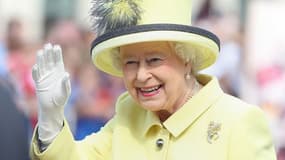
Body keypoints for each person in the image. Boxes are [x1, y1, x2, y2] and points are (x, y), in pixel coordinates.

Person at [30, 0, 276, 159]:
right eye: (130, 62)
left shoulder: (239, 122)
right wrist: (51, 118)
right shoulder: (129, 116)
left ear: (187, 59)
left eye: (154, 60)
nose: (141, 75)